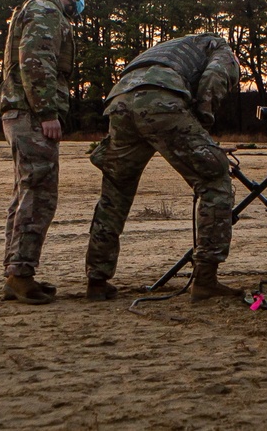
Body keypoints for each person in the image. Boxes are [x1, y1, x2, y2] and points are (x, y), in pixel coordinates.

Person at [84, 33, 242, 302]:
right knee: (215, 179)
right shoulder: (222, 49)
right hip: (161, 99)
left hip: (120, 100)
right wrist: (202, 129)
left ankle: (97, 280)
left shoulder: (170, 47)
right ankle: (205, 280)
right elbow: (214, 78)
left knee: (115, 192)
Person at [0, 0, 94, 304]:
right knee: (39, 194)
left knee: (26, 192)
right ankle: (21, 274)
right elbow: (36, 62)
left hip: (21, 111)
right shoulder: (46, 10)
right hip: (32, 114)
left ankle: (16, 273)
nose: (82, 1)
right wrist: (48, 113)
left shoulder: (35, 9)